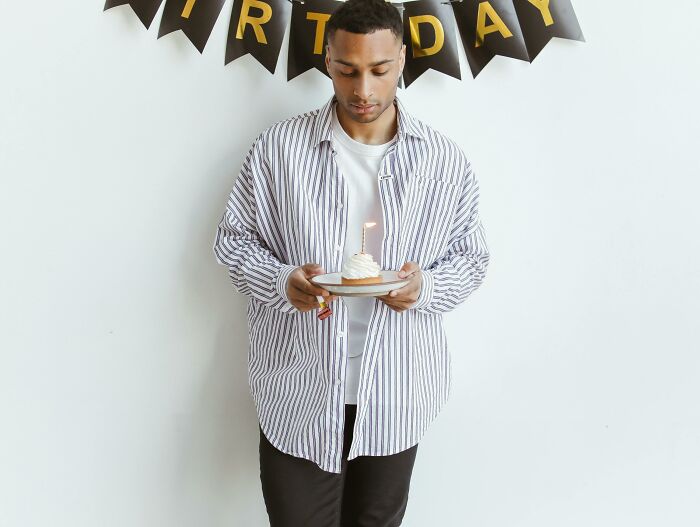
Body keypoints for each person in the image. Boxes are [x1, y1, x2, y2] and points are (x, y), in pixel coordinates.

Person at [213, 0, 490, 524]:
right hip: (298, 388)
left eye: (379, 70)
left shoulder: (443, 160)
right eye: (347, 70)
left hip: (397, 393)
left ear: (403, 59)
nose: (363, 89)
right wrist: (282, 281)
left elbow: (472, 260)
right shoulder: (278, 151)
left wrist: (423, 289)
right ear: (327, 59)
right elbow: (232, 241)